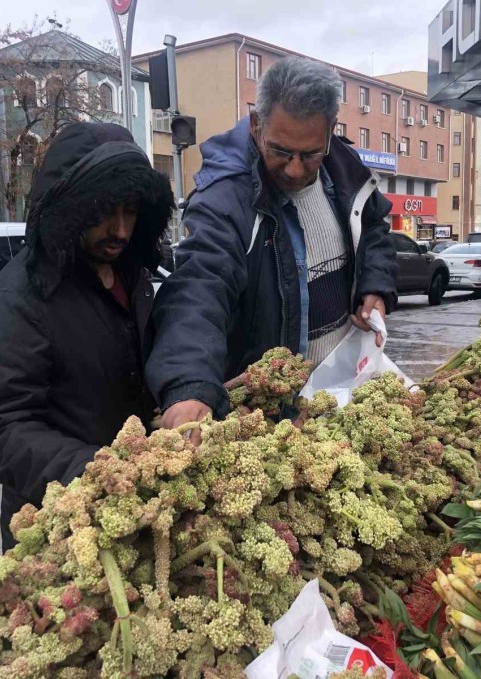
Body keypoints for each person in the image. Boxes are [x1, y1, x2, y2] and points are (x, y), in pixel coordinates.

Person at [146, 56, 398, 441]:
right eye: (280, 151)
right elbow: (199, 291)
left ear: (330, 132)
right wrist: (190, 385)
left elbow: (376, 229)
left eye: (310, 154)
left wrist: (374, 287)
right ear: (256, 125)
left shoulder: (348, 171)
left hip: (343, 391)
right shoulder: (225, 200)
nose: (295, 169)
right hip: (272, 415)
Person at [0, 123, 175, 551]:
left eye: (131, 211)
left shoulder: (131, 276)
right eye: (104, 212)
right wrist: (94, 470)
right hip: (57, 530)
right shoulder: (21, 297)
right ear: (70, 207)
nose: (119, 229)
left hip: (130, 515)